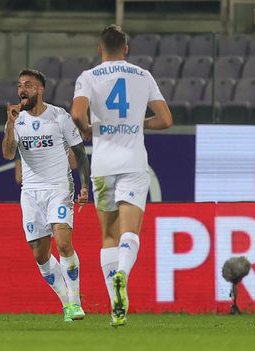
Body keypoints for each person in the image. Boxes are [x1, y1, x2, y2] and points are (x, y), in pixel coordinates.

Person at [70, 24, 173, 327]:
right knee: (130, 233)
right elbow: (166, 119)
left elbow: (77, 113)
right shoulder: (143, 75)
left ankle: (116, 306)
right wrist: (138, 123)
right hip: (133, 163)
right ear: (126, 49)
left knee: (108, 236)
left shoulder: (88, 77)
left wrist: (87, 129)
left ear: (100, 49)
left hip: (102, 166)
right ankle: (123, 277)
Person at [2, 69, 91, 322]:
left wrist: (84, 186)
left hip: (58, 188)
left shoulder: (59, 117)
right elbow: (8, 153)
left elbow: (80, 154)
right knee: (40, 255)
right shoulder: (16, 120)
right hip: (30, 193)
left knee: (63, 243)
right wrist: (9, 124)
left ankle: (75, 301)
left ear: (40, 90)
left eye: (28, 85)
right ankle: (66, 303)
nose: (22, 90)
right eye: (20, 85)